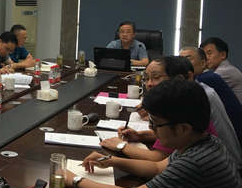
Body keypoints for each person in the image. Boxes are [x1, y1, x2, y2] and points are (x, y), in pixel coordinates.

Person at [68, 80, 242, 188]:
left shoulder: (194, 163)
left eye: (156, 124)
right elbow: (157, 167)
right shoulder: (203, 142)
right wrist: (112, 161)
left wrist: (72, 179)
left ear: (183, 128)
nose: (151, 129)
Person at [103, 56, 241, 168]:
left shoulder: (185, 103)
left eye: (156, 77)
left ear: (179, 79)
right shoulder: (192, 94)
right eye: (146, 78)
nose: (149, 83)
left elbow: (158, 159)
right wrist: (141, 136)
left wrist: (121, 146)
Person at [180, 46, 242, 144]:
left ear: (203, 63)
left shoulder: (205, 80)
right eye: (180, 59)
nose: (182, 64)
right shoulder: (209, 76)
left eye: (188, 59)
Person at [201, 37, 242, 105]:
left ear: (223, 55)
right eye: (204, 55)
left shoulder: (226, 71)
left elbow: (198, 88)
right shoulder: (215, 70)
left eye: (209, 53)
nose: (206, 58)